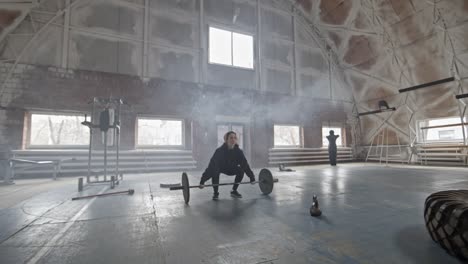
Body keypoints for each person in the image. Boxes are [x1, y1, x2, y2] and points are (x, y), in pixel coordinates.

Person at [199, 131, 255, 200]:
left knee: (241, 170)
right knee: (215, 170)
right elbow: (211, 167)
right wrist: (202, 181)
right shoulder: (219, 151)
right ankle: (215, 193)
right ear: (226, 140)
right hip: (220, 168)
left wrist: (252, 177)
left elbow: (245, 165)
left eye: (235, 138)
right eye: (231, 138)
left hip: (231, 168)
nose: (233, 140)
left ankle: (234, 191)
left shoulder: (239, 152)